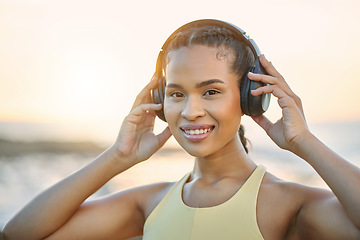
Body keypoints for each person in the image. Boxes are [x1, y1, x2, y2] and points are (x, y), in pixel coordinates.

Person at [2, 19, 360, 240]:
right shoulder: (150, 204)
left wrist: (305, 143)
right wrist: (117, 157)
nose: (191, 111)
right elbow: (18, 234)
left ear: (252, 97)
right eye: (176, 93)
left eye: (211, 91)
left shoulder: (287, 204)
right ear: (160, 100)